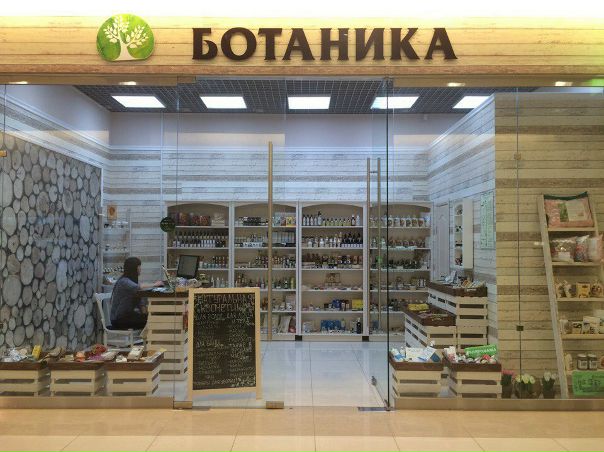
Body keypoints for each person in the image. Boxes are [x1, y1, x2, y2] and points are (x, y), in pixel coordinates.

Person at [109, 257, 163, 330]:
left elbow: (140, 300)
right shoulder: (123, 281)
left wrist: (146, 313)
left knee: (152, 319)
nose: (140, 269)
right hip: (118, 319)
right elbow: (138, 287)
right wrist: (155, 284)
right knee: (152, 321)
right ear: (134, 268)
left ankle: (147, 336)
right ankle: (147, 336)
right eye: (139, 266)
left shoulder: (131, 281)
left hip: (127, 316)